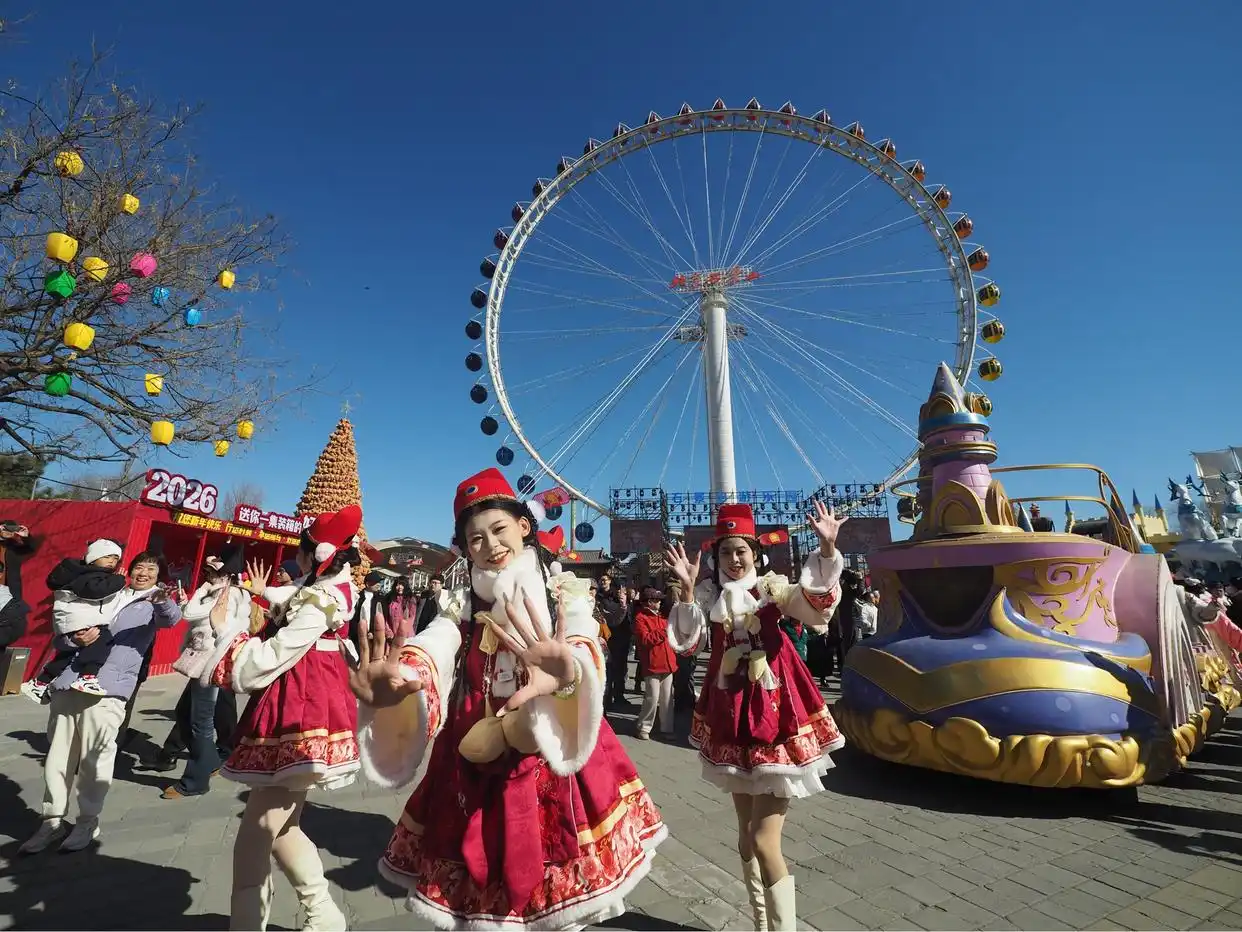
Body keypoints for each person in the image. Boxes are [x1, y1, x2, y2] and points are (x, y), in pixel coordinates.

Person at [353, 468, 666, 929]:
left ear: (524, 525)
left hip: (557, 750)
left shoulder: (563, 594)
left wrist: (566, 673)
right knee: (481, 901)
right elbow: (437, 644)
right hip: (474, 753)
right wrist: (404, 677)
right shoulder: (463, 606)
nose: (491, 546)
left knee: (562, 904)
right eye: (475, 538)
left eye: (499, 529)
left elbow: (581, 641)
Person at [664, 501, 848, 931]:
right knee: (746, 835)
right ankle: (761, 924)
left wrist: (825, 552)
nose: (734, 559)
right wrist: (689, 593)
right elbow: (687, 645)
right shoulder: (710, 596)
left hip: (777, 713)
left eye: (741, 550)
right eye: (726, 551)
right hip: (731, 716)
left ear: (755, 552)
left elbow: (817, 610)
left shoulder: (773, 588)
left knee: (765, 841)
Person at [199, 506, 365, 930]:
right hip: (302, 703)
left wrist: (226, 634)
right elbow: (293, 597)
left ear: (316, 555)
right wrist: (262, 592)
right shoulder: (326, 587)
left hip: (299, 710)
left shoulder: (324, 597)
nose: (298, 559)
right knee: (284, 828)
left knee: (254, 833)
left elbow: (275, 654)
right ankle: (324, 915)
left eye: (301, 552)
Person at [19, 552, 181, 854]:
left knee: (96, 759)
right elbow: (62, 635)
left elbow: (171, 619)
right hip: (69, 683)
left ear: (159, 576)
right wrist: (75, 641)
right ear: (127, 570)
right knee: (58, 757)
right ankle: (51, 821)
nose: (143, 573)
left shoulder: (153, 603)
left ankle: (86, 822)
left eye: (151, 569)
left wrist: (161, 599)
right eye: (138, 567)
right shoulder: (105, 592)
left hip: (108, 689)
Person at [162, 546, 251, 800]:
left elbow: (189, 613)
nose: (208, 572)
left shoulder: (227, 594)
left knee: (201, 722)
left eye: (214, 568)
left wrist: (202, 587)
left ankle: (195, 780)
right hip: (204, 660)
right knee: (184, 713)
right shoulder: (226, 592)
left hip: (210, 663)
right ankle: (210, 760)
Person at [23, 539, 127, 702]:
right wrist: (118, 581)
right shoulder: (89, 574)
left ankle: (40, 682)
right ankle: (88, 677)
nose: (112, 561)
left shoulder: (81, 572)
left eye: (115, 558)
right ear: (93, 558)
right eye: (107, 557)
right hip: (81, 619)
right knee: (103, 640)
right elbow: (95, 591)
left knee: (65, 655)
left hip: (73, 620)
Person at [634, 587, 677, 740]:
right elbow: (645, 640)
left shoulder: (663, 617)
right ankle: (643, 727)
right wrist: (664, 631)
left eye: (659, 600)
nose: (660, 602)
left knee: (667, 698)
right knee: (652, 697)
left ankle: (666, 728)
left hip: (667, 662)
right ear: (649, 602)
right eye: (657, 600)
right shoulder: (640, 618)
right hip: (652, 664)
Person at [598, 572, 631, 709]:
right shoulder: (600, 599)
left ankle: (619, 694)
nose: (603, 582)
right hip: (610, 638)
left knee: (621, 668)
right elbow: (612, 619)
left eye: (605, 580)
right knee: (609, 669)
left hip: (623, 637)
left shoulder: (620, 599)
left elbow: (628, 617)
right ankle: (608, 696)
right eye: (601, 580)